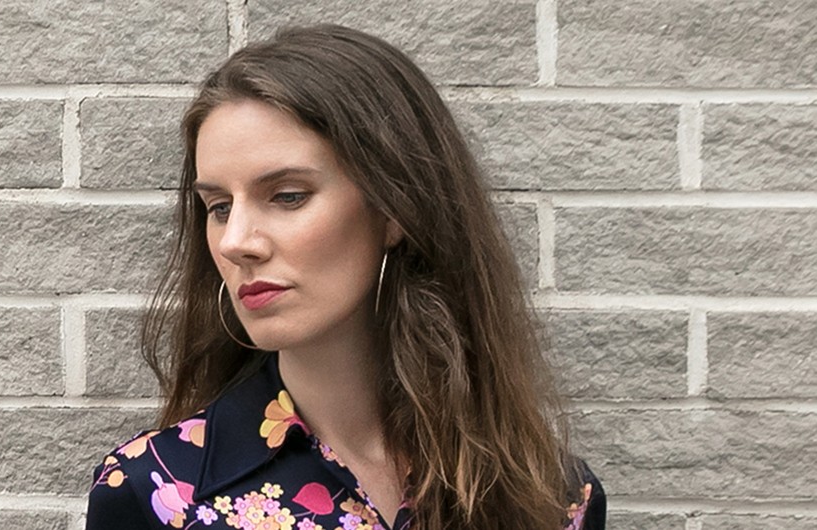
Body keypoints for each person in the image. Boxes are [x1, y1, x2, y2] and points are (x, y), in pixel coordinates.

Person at [86, 24, 605, 530]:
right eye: (219, 207)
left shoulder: (551, 495)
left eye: (287, 196)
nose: (235, 241)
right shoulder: (155, 492)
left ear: (394, 209)